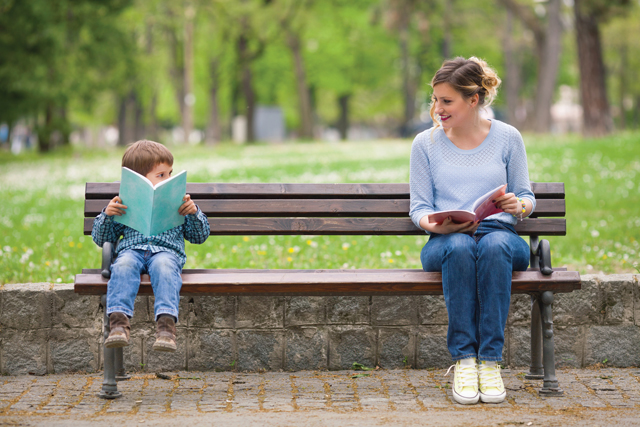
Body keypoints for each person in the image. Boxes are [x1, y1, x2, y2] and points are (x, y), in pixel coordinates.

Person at [409, 57, 535, 405]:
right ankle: (465, 360)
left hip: (502, 237)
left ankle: (490, 362)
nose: (437, 109)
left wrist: (518, 206)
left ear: (473, 100)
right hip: (446, 242)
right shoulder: (425, 144)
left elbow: (525, 197)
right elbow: (419, 208)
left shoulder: (508, 137)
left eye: (446, 101)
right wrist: (433, 223)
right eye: (434, 100)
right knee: (461, 247)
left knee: (493, 245)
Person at [92, 140, 210, 352]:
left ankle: (166, 328)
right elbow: (101, 238)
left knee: (164, 266)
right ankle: (118, 325)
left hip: (166, 253)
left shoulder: (179, 201)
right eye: (161, 175)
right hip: (132, 252)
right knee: (123, 265)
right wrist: (107, 216)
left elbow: (199, 236)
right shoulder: (123, 203)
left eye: (170, 174)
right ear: (137, 181)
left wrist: (193, 213)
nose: (168, 179)